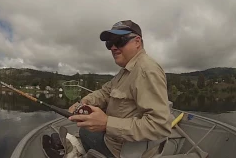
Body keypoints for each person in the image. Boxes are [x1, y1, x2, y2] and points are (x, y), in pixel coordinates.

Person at [68, 20, 172, 158]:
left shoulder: (146, 70)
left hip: (122, 152)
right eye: (109, 44)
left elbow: (160, 125)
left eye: (119, 41)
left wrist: (107, 123)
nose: (113, 48)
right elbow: (105, 93)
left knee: (85, 131)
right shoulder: (125, 71)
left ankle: (79, 149)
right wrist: (85, 101)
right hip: (116, 141)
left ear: (137, 41)